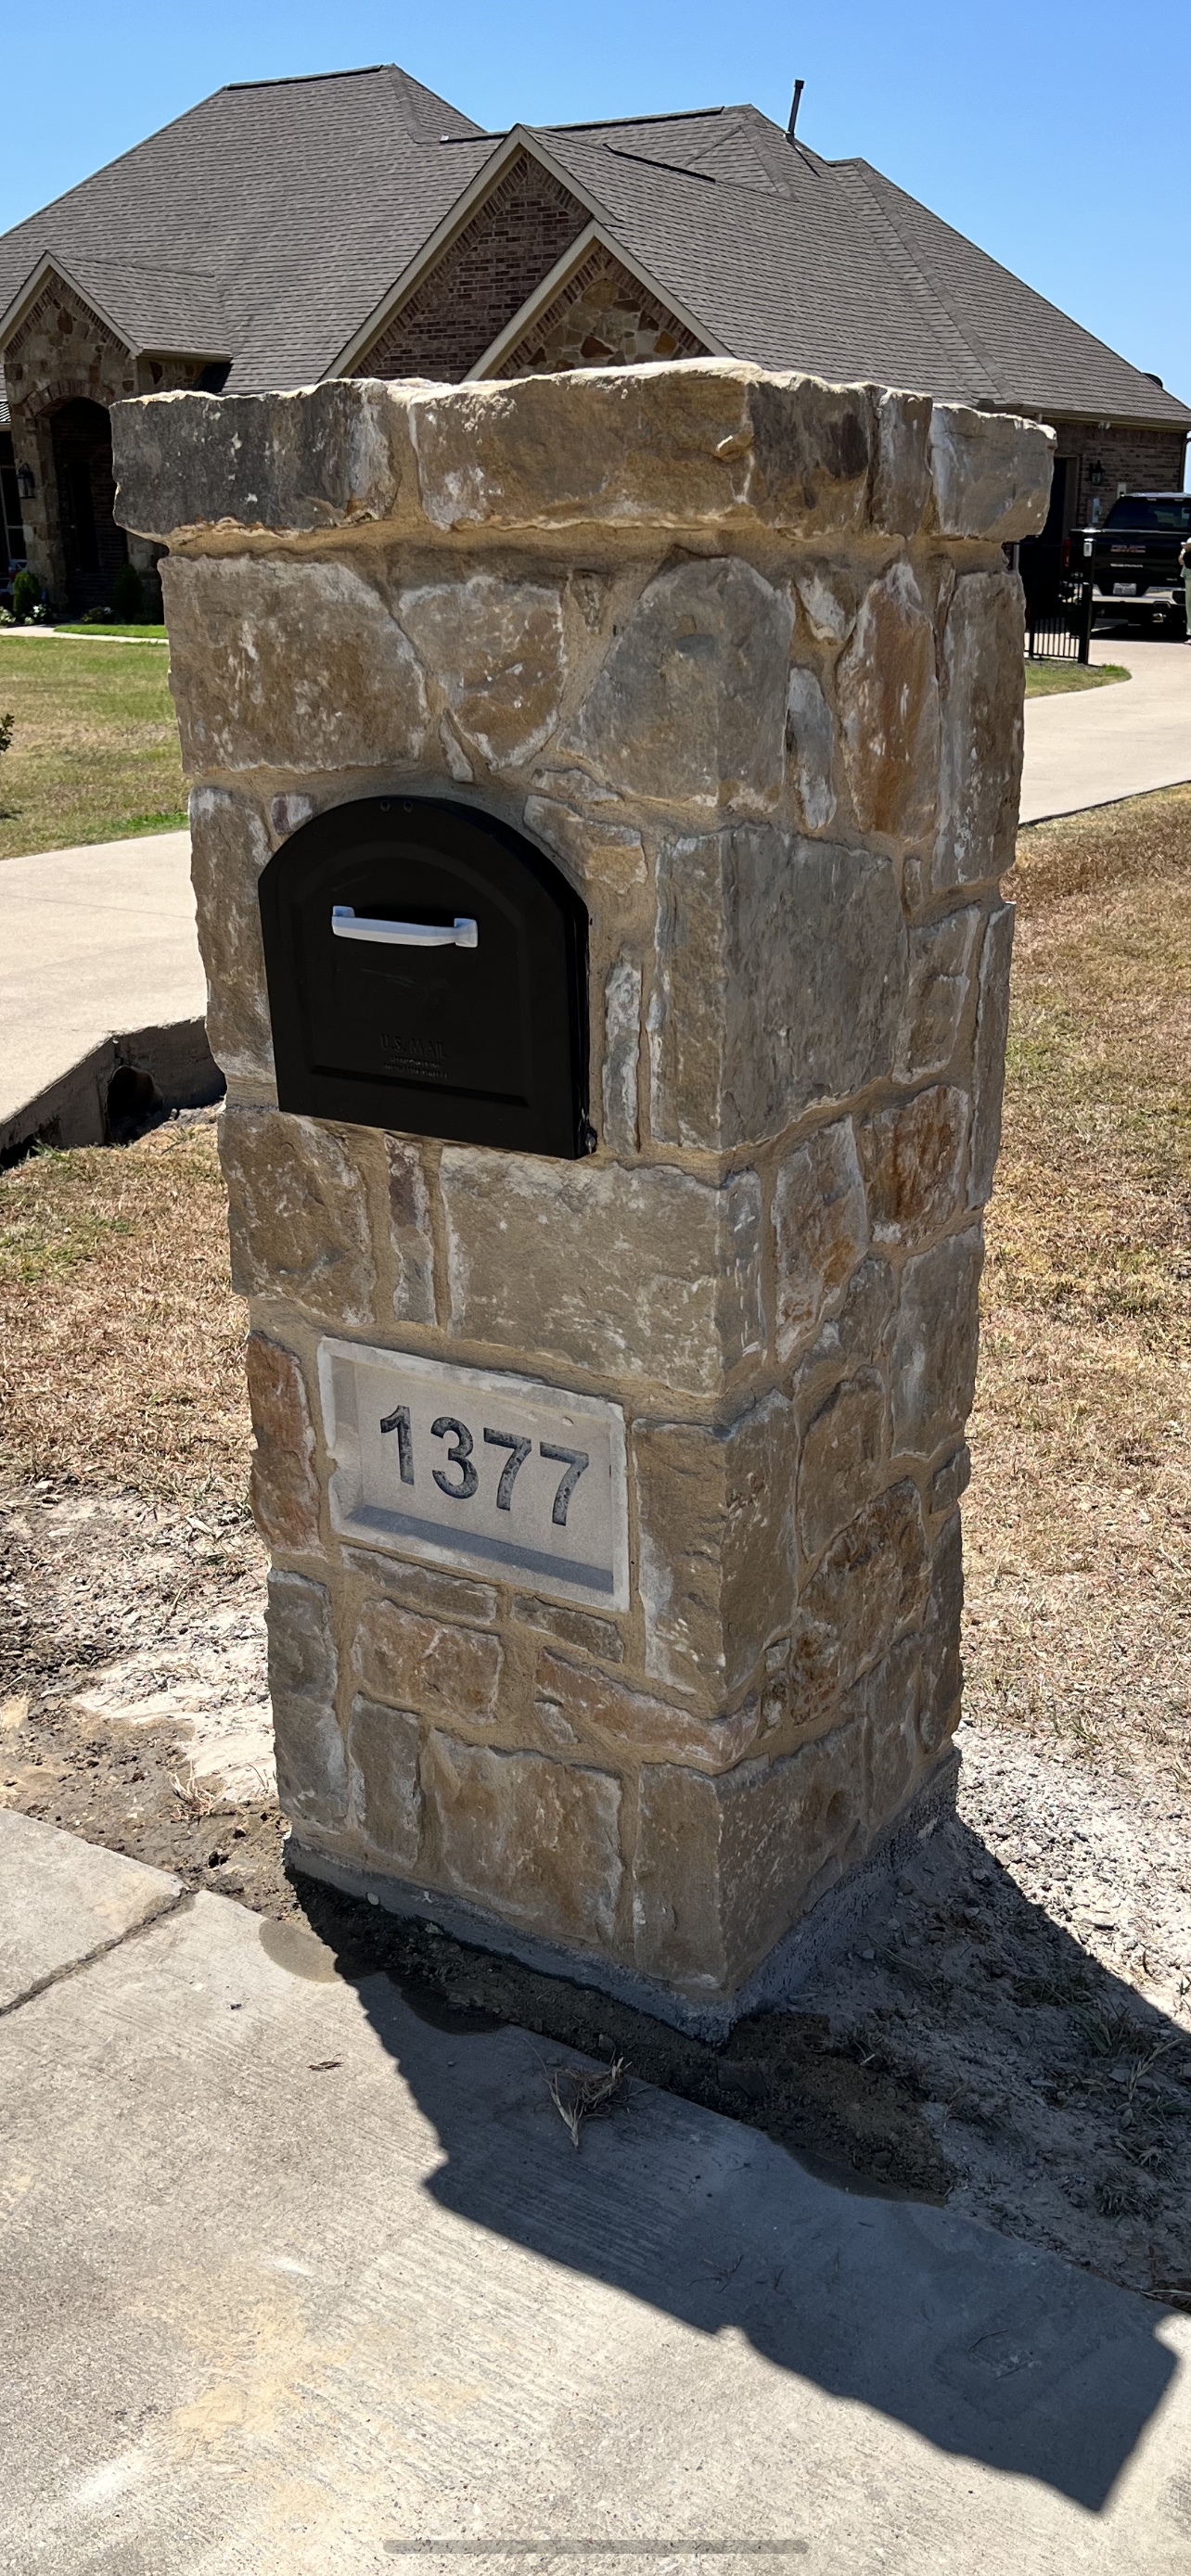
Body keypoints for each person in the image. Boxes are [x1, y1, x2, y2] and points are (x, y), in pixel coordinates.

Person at [1182, 528, 1191, 641]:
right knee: (1189, 605)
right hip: (1189, 576)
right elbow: (1181, 561)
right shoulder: (1189, 542)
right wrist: (1186, 552)